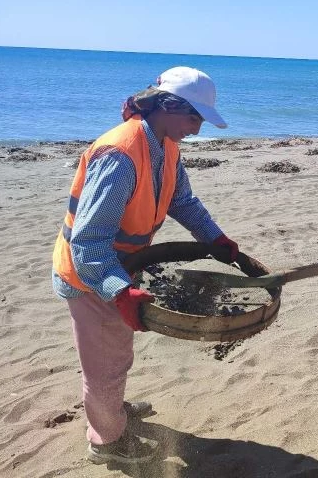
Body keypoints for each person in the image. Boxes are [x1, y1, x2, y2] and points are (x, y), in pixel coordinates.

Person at [51, 66, 240, 465]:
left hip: (120, 267)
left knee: (116, 355)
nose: (198, 128)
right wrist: (119, 290)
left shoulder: (165, 145)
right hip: (91, 275)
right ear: (168, 106)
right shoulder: (120, 156)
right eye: (194, 118)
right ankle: (107, 444)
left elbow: (182, 201)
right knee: (105, 367)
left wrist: (214, 238)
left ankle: (112, 415)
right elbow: (89, 241)